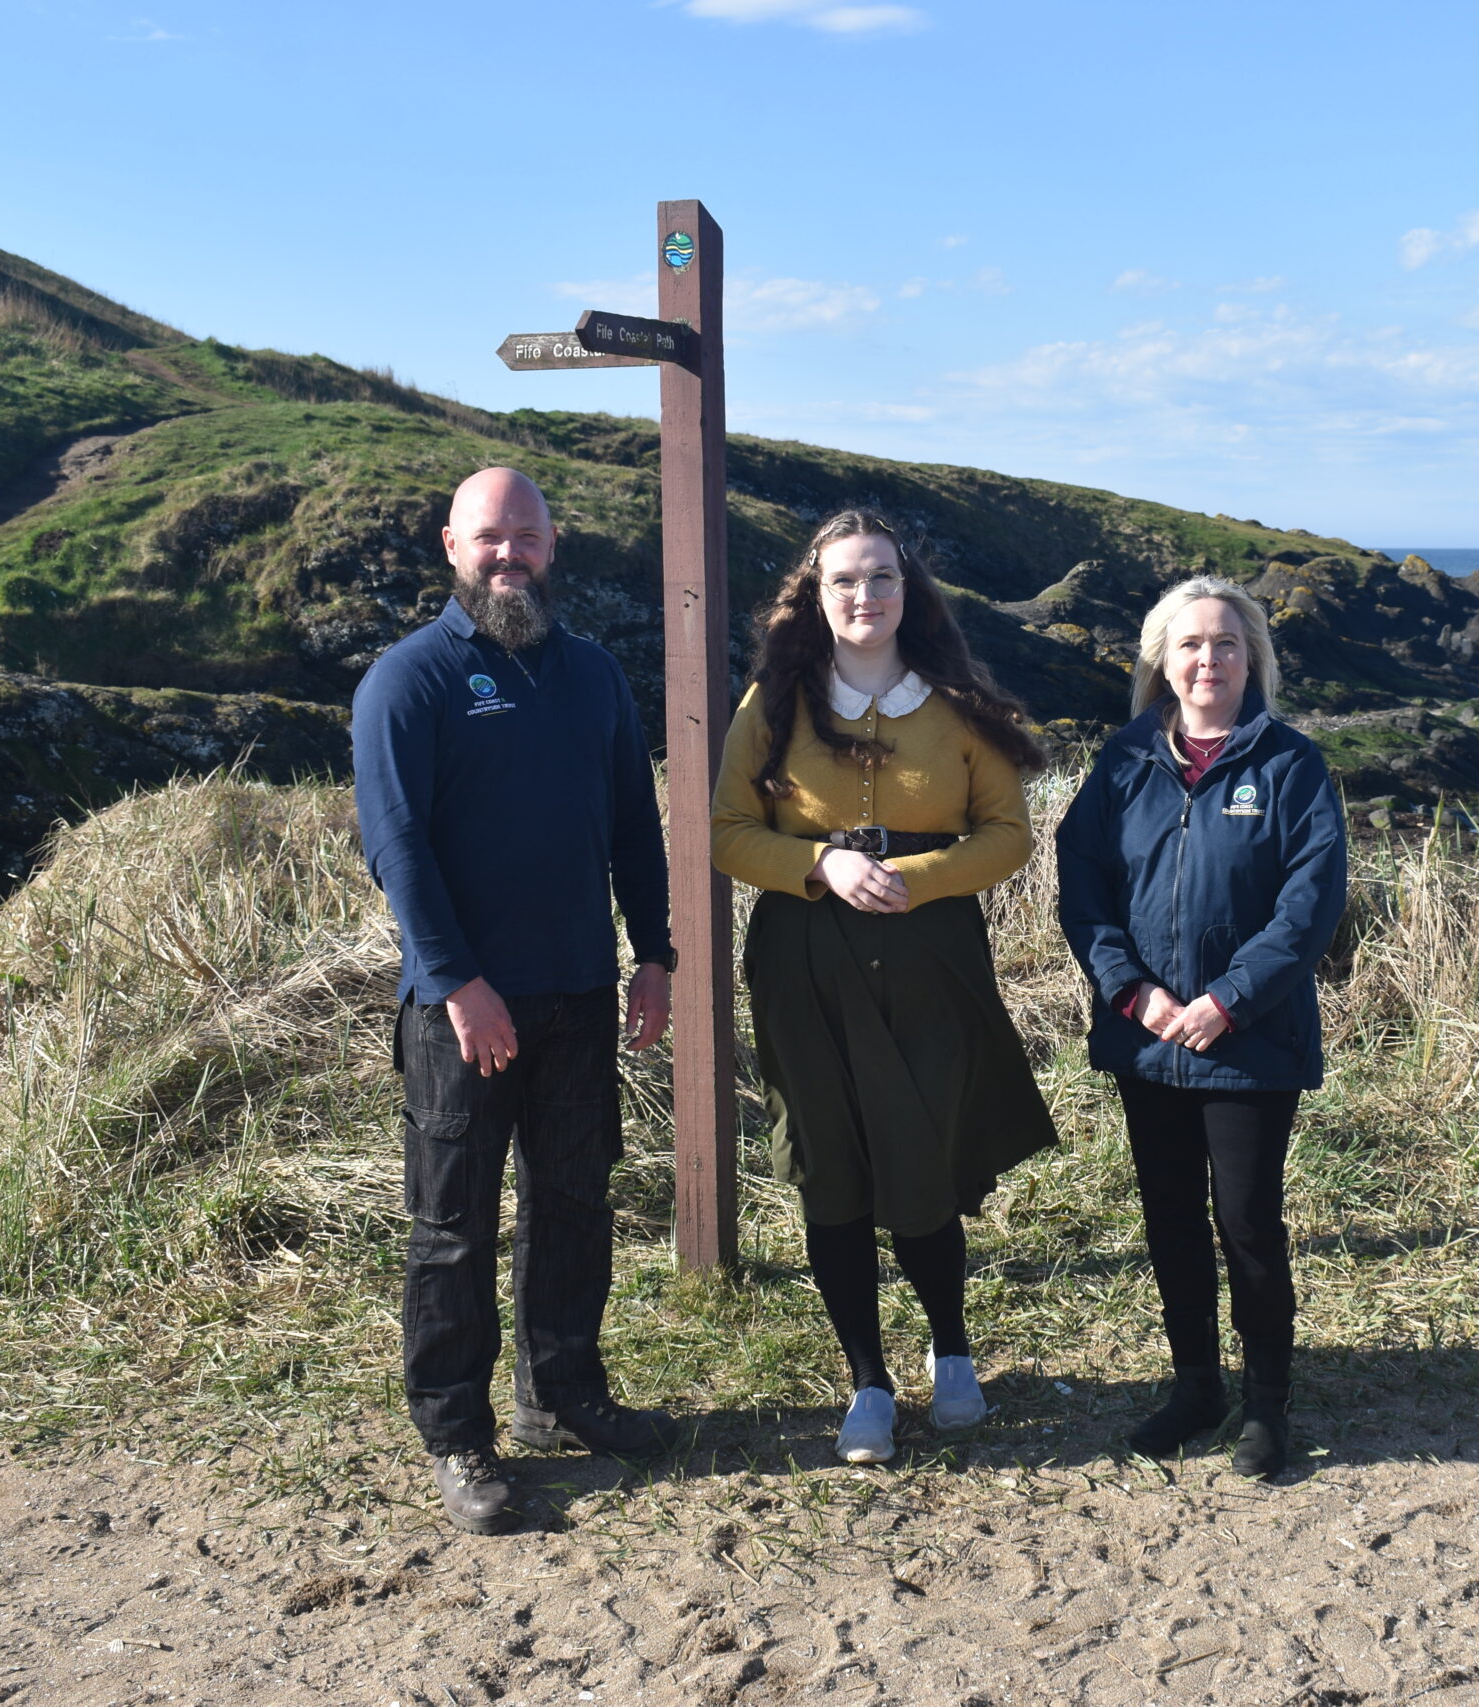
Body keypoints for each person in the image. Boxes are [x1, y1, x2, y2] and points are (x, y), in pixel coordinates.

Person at [352, 466, 678, 1535]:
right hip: (461, 1014)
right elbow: (396, 851)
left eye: (526, 537)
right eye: (489, 537)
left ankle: (563, 1395)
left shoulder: (590, 675)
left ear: (552, 545)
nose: (510, 556)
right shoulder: (409, 681)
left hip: (580, 994)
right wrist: (458, 984)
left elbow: (636, 821)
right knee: (452, 1228)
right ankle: (457, 1434)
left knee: (574, 1204)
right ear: (451, 545)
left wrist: (656, 955)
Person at [712, 509, 1058, 1465]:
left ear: (910, 591)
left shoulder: (957, 704)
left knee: (925, 1158)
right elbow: (723, 829)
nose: (865, 596)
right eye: (845, 581)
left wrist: (921, 878)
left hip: (930, 957)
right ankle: (866, 1379)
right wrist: (820, 864)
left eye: (882, 578)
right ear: (815, 597)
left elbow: (1008, 834)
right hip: (804, 961)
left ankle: (952, 1354)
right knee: (831, 1165)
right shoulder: (772, 704)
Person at [1055, 575, 1348, 1479]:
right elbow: (1083, 884)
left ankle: (1267, 1402)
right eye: (1190, 645)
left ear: (1252, 659)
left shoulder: (1291, 765)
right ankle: (1195, 1386)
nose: (1208, 659)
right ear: (1162, 662)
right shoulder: (1124, 762)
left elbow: (1309, 905)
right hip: (1148, 1038)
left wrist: (1227, 1000)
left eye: (1227, 644)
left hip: (1248, 1040)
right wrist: (1131, 992)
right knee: (1171, 1218)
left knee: (1249, 1221)